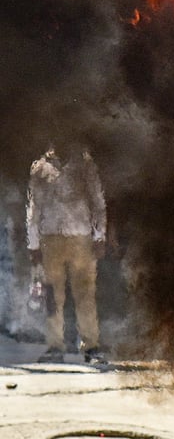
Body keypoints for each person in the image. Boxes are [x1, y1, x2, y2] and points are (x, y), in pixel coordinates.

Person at [27, 144, 107, 364]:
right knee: (53, 296)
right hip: (50, 238)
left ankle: (91, 347)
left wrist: (99, 236)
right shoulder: (40, 167)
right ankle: (55, 347)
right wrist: (33, 244)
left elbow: (97, 201)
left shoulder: (85, 165)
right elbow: (34, 208)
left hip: (81, 238)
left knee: (85, 295)